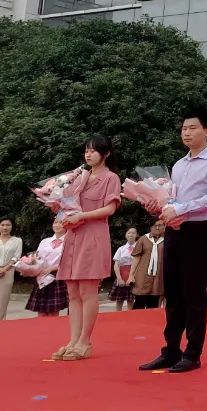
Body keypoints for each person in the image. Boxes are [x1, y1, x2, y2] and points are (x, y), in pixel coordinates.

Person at [139, 109, 207, 374]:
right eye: (183, 129)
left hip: (198, 230)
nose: (187, 133)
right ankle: (171, 350)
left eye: (192, 128)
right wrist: (158, 205)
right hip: (174, 231)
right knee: (174, 292)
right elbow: (172, 199)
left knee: (194, 294)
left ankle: (192, 353)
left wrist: (181, 209)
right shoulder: (178, 165)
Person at [54, 135, 122, 361]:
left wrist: (82, 215)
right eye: (86, 150)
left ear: (106, 154)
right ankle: (73, 340)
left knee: (87, 291)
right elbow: (66, 203)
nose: (88, 154)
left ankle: (85, 341)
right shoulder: (79, 177)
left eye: (93, 151)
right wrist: (60, 210)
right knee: (72, 292)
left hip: (93, 236)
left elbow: (110, 209)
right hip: (73, 236)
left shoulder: (111, 178)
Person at [26, 218, 69, 317]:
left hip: (56, 277)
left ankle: (52, 331)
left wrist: (51, 268)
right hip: (41, 277)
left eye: (60, 223)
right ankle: (41, 331)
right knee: (40, 309)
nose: (57, 225)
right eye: (55, 222)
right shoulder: (45, 241)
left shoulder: (69, 241)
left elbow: (69, 261)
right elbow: (35, 257)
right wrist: (27, 268)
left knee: (53, 310)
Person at [130, 220, 166, 309]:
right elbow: (136, 258)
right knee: (139, 302)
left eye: (160, 225)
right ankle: (136, 321)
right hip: (143, 275)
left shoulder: (167, 239)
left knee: (154, 303)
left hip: (159, 276)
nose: (157, 228)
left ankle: (150, 322)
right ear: (150, 227)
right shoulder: (143, 239)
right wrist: (131, 274)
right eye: (155, 225)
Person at [110, 227, 139, 311]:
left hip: (134, 275)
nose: (131, 235)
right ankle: (118, 318)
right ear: (126, 235)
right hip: (121, 275)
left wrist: (132, 276)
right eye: (129, 233)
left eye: (133, 233)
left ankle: (130, 319)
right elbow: (116, 264)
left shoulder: (139, 247)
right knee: (119, 300)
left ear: (136, 235)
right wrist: (119, 278)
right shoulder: (121, 249)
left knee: (131, 300)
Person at [0, 216, 22, 320]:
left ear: (12, 226)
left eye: (8, 225)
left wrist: (5, 269)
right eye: (2, 225)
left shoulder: (17, 240)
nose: (5, 227)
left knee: (2, 299)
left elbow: (16, 257)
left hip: (8, 271)